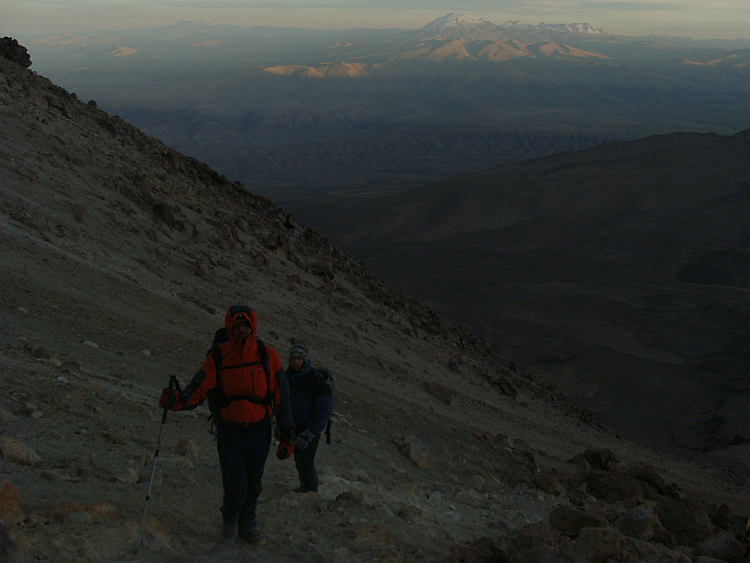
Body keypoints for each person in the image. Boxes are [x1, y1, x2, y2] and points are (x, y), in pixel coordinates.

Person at [159, 305, 294, 547]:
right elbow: (200, 387)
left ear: (252, 327)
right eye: (237, 326)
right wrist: (178, 401)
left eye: (245, 326)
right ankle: (230, 524)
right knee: (236, 483)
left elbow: (281, 397)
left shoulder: (267, 355)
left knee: (253, 483)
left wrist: (287, 434)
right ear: (230, 328)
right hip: (230, 430)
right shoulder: (219, 355)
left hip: (259, 429)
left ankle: (247, 525)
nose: (242, 330)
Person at [285, 344, 333, 493]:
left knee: (305, 461)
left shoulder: (316, 380)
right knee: (299, 460)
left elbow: (324, 411)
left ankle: (311, 490)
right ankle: (305, 487)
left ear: (305, 360)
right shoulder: (287, 377)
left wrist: (310, 433)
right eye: (293, 358)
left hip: (309, 429)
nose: (295, 362)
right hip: (294, 427)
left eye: (299, 359)